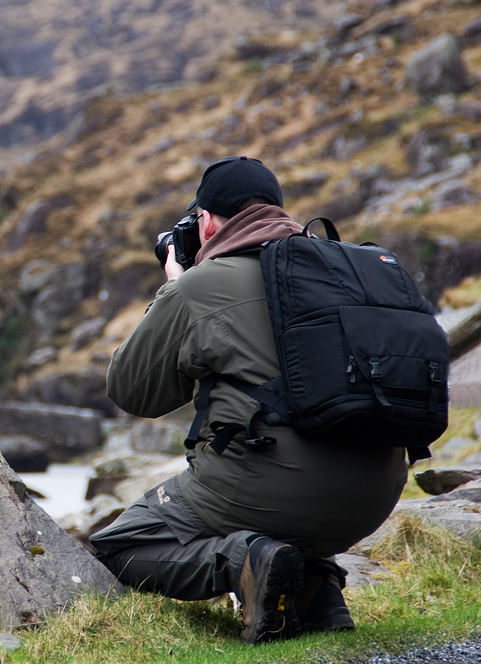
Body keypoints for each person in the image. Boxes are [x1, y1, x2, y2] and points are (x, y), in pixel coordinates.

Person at [89, 156, 408, 644]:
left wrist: (173, 292)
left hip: (266, 491)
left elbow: (133, 392)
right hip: (377, 492)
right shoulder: (342, 272)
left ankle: (244, 560)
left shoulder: (199, 287)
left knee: (118, 545)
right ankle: (317, 586)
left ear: (208, 221)